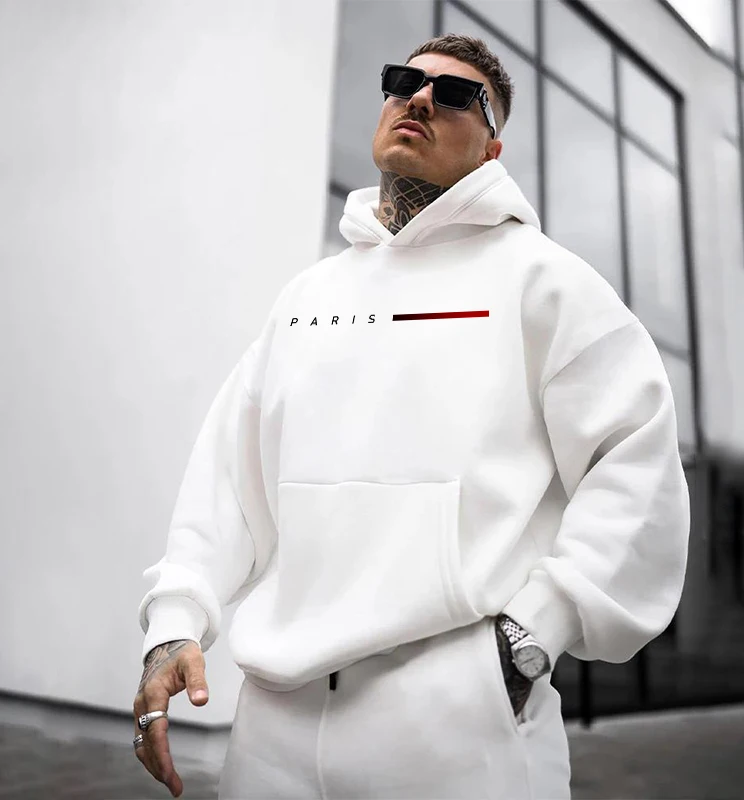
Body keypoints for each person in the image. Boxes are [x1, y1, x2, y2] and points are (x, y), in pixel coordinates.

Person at [133, 33, 691, 800]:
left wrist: (533, 636)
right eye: (404, 81)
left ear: (492, 149)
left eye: (456, 95)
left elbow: (637, 463)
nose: (421, 98)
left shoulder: (547, 284)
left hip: (458, 729)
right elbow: (226, 480)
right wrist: (172, 626)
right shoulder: (308, 298)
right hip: (271, 728)